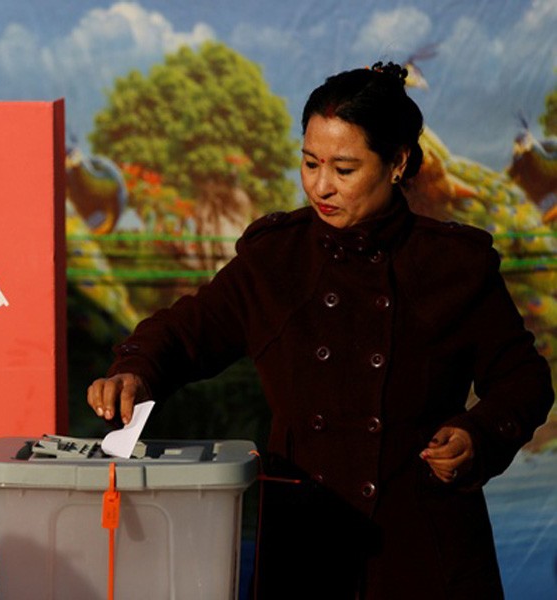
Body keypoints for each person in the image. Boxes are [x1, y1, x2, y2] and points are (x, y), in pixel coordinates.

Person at [86, 62, 554, 600]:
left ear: (398, 163)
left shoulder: (453, 264)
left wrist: (478, 434)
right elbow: (187, 330)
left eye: (345, 169)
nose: (321, 186)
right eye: (310, 163)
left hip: (425, 549)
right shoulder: (276, 259)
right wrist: (135, 369)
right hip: (305, 547)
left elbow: (524, 380)